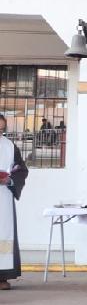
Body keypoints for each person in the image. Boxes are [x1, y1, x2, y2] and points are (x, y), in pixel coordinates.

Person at [0, 114, 27, 291]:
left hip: (3, 197)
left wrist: (9, 180)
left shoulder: (9, 146)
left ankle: (2, 276)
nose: (0, 132)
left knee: (3, 234)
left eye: (2, 129)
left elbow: (21, 169)